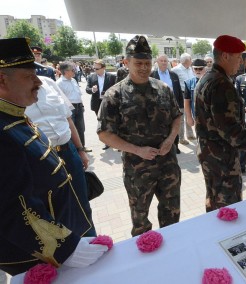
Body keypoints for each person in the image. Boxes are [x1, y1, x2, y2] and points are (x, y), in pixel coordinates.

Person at [0, 37, 107, 276]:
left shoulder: (14, 115)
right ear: (2, 79)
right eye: (29, 76)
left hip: (58, 224)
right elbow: (12, 208)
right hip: (33, 254)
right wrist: (63, 247)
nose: (38, 81)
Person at [98, 35, 182, 237]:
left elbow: (176, 117)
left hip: (168, 165)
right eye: (138, 63)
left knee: (172, 216)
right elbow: (104, 134)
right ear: (126, 63)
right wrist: (137, 150)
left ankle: (172, 251)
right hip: (137, 169)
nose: (144, 67)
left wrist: (171, 139)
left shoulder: (163, 89)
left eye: (147, 63)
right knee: (140, 220)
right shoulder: (114, 95)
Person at [194, 35, 246, 212]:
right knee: (227, 210)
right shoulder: (221, 84)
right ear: (225, 56)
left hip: (210, 155)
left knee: (214, 201)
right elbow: (232, 133)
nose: (241, 62)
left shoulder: (207, 77)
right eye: (238, 57)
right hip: (222, 159)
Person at [25, 76, 96, 237]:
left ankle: (92, 240)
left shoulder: (49, 83)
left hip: (68, 151)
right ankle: (67, 250)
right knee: (54, 209)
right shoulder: (12, 93)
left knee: (81, 201)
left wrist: (80, 149)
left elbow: (68, 118)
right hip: (42, 158)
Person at [151, 54, 183, 154]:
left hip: (173, 105)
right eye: (162, 61)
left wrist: (181, 105)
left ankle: (175, 146)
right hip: (158, 107)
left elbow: (178, 90)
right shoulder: (152, 75)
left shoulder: (173, 75)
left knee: (174, 126)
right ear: (157, 62)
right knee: (161, 127)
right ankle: (161, 146)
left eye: (166, 61)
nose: (164, 63)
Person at [57, 61, 91, 152]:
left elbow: (78, 95)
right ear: (65, 71)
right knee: (72, 130)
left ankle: (82, 147)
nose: (74, 71)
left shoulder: (73, 80)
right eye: (72, 69)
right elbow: (60, 99)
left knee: (81, 128)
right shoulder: (59, 83)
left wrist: (82, 105)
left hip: (79, 107)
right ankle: (75, 150)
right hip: (69, 109)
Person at [172, 53, 196, 143]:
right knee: (181, 117)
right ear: (186, 61)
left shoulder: (191, 69)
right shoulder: (175, 70)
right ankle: (181, 138)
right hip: (181, 95)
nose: (191, 61)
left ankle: (190, 134)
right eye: (190, 59)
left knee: (189, 114)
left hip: (190, 94)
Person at [184, 58, 206, 128]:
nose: (198, 71)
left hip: (211, 117)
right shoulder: (189, 83)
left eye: (200, 69)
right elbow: (187, 101)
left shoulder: (212, 81)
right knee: (200, 137)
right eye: (196, 69)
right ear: (192, 69)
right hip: (197, 117)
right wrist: (189, 117)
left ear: (205, 69)